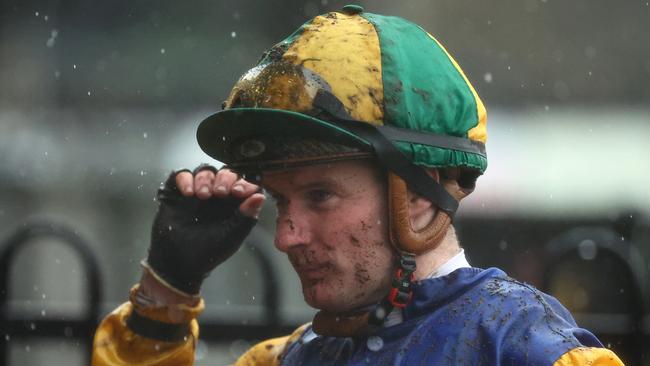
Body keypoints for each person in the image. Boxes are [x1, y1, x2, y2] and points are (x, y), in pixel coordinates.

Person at [92, 5, 624, 365]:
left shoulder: (531, 350)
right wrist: (165, 293)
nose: (285, 236)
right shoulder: (280, 360)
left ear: (422, 193)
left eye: (320, 195)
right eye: (280, 200)